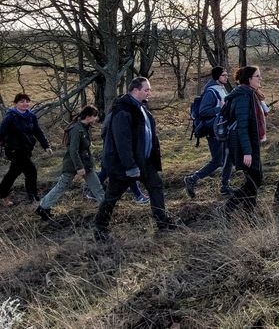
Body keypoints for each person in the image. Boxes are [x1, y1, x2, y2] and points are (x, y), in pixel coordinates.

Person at [94, 77, 178, 242]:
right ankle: (99, 229)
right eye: (146, 90)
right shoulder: (123, 110)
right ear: (135, 90)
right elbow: (122, 142)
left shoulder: (141, 108)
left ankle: (162, 222)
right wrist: (130, 166)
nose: (149, 93)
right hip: (124, 165)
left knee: (156, 186)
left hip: (144, 162)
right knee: (112, 196)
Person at [35, 105, 104, 221]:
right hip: (74, 164)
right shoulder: (77, 129)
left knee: (97, 186)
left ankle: (106, 208)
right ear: (87, 117)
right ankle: (43, 207)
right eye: (94, 116)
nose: (96, 119)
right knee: (62, 186)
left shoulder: (85, 128)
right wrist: (79, 167)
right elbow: (73, 150)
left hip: (86, 164)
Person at [0, 93, 53, 205]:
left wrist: (46, 146)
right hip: (14, 150)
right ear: (15, 103)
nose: (25, 104)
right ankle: (34, 198)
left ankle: (1, 196)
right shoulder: (10, 117)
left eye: (27, 101)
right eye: (21, 101)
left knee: (13, 172)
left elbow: (38, 132)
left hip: (26, 149)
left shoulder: (31, 116)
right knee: (31, 171)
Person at [184, 66, 234, 198]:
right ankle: (192, 179)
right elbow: (203, 111)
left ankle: (225, 185)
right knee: (218, 161)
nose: (226, 77)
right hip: (213, 131)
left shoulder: (221, 89)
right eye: (224, 75)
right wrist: (220, 109)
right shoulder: (211, 92)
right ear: (218, 77)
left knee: (229, 157)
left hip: (222, 129)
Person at [223, 66, 267, 214]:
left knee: (254, 179)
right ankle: (228, 208)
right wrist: (247, 152)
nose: (260, 79)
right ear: (249, 79)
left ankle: (247, 213)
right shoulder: (243, 96)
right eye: (257, 76)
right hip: (244, 145)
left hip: (251, 142)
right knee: (255, 179)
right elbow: (242, 127)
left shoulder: (249, 93)